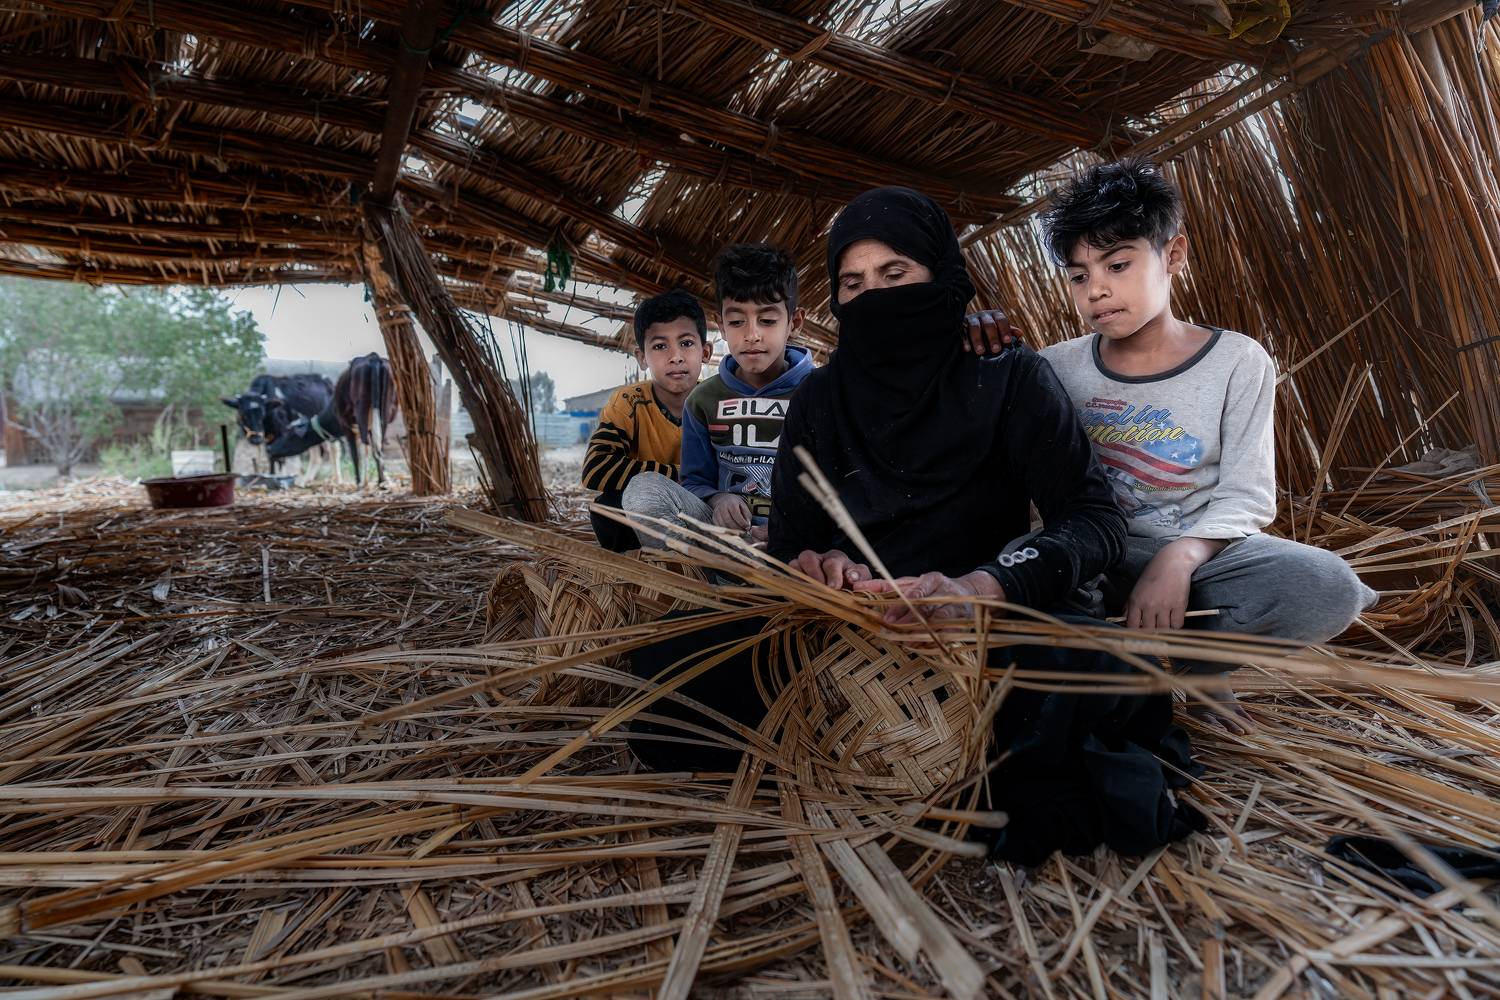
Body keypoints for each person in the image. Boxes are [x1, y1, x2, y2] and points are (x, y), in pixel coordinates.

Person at [1035, 158, 1375, 725]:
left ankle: (1201, 668)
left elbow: (1247, 495)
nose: (1096, 289)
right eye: (1078, 276)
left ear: (1174, 255)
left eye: (1117, 264)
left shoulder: (1237, 361)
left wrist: (1181, 555)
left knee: (1326, 585)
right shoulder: (1054, 368)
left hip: (1199, 561)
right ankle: (1122, 679)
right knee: (1027, 571)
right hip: (1093, 556)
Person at [623, 243, 814, 547]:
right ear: (721, 324)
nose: (752, 335)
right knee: (643, 490)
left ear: (795, 322)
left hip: (801, 541)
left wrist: (791, 529)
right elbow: (695, 482)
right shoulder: (704, 400)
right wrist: (718, 498)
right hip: (727, 539)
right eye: (737, 322)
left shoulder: (820, 391)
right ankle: (704, 571)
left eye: (767, 320)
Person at [581, 289, 712, 552]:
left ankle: (700, 567)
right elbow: (596, 469)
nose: (676, 356)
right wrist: (681, 476)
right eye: (660, 346)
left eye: (686, 343)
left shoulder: (718, 402)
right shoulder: (629, 403)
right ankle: (643, 567)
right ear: (642, 357)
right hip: (645, 508)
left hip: (705, 508)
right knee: (606, 508)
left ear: (705, 352)